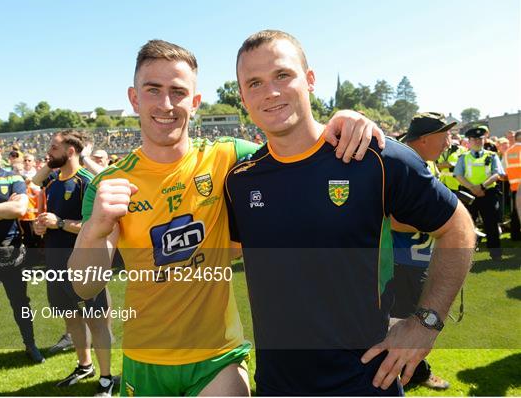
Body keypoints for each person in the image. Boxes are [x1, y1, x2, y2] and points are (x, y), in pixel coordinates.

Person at [68, 39, 384, 396]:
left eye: (178, 91)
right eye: (153, 90)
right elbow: (86, 285)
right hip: (146, 359)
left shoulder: (232, 157)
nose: (166, 104)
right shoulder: (109, 184)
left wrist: (342, 121)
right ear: (134, 98)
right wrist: (95, 230)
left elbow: (298, 144)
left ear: (195, 102)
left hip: (218, 358)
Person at [225, 30, 474, 396]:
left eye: (282, 75)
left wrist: (426, 322)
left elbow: (459, 228)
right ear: (243, 96)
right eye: (255, 83)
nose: (271, 92)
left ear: (309, 80)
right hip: (277, 387)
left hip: (366, 383)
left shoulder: (375, 157)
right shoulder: (239, 180)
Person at [32, 130, 115, 395]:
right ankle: (84, 365)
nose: (48, 151)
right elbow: (35, 186)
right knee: (71, 318)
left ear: (70, 151)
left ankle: (106, 379)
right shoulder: (54, 181)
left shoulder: (87, 181)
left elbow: (100, 226)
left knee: (97, 321)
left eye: (54, 147)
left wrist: (61, 223)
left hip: (85, 263)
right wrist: (42, 227)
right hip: (56, 264)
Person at [391, 112, 456, 390]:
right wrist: (440, 224)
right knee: (406, 323)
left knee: (415, 321)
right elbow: (390, 216)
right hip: (400, 262)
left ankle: (411, 373)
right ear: (426, 138)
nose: (449, 142)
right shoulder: (402, 164)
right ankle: (404, 376)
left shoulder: (425, 165)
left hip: (417, 259)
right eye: (445, 135)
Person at [0, 130, 44, 371]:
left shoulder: (13, 177)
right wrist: (2, 209)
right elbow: (11, 208)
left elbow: (19, 209)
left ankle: (31, 345)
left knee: (21, 303)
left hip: (12, 252)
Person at [454, 126, 504, 262]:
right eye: (474, 139)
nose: (477, 141)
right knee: (467, 225)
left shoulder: (492, 155)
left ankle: (496, 255)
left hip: (488, 193)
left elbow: (497, 174)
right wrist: (472, 188)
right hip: (469, 195)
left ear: (484, 140)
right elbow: (458, 175)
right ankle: (465, 256)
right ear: (469, 141)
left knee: (491, 225)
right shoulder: (463, 157)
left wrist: (482, 187)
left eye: (480, 139)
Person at [503, 130, 521, 240]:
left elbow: (503, 172)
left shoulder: (508, 152)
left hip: (514, 187)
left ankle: (515, 235)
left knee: (515, 212)